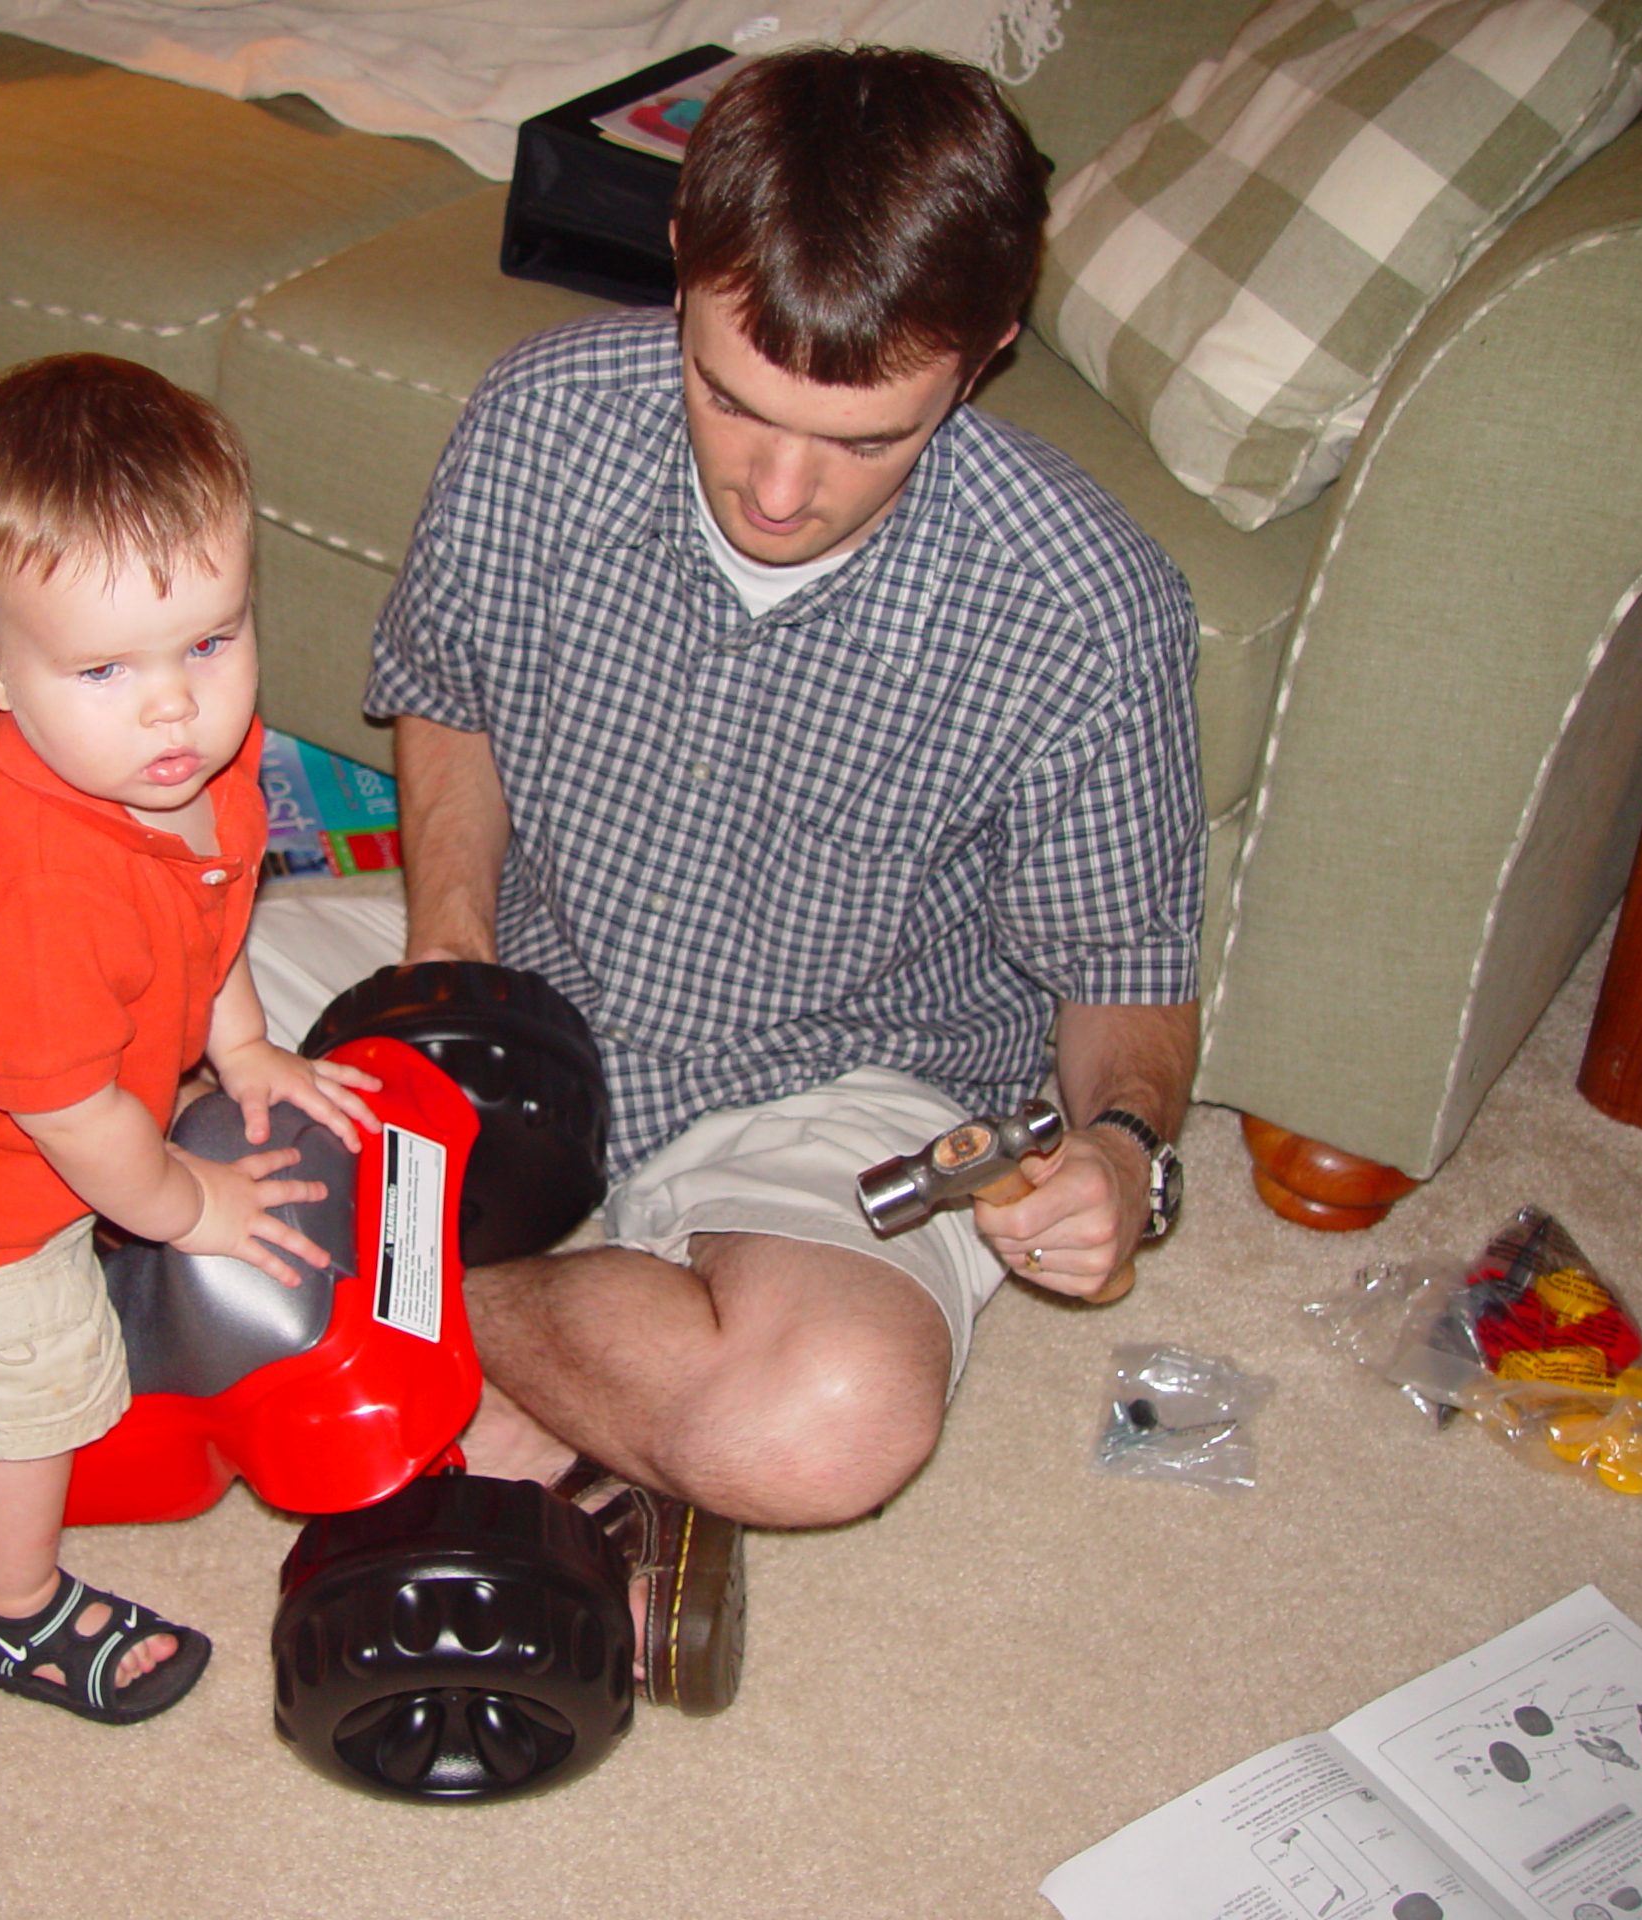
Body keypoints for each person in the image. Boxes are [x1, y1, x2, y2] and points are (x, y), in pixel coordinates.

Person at [249, 45, 1202, 1711]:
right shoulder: (539, 419)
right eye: (731, 397)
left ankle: (432, 1316)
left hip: (834, 1085)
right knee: (53, 1019)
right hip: (534, 963)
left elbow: (1127, 982)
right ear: (683, 269)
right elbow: (450, 699)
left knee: (822, 1419)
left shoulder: (1081, 607)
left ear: (980, 357)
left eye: (862, 439)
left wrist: (1119, 1152)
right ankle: (559, 1391)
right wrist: (457, 980)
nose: (778, 488)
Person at [0, 353, 380, 1725]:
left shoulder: (200, 770)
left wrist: (244, 1051)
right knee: (37, 1389)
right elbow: (82, 1128)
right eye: (105, 667)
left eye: (209, 642)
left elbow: (212, 926)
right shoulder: (35, 896)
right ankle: (13, 1609)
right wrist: (191, 1210)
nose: (174, 707)